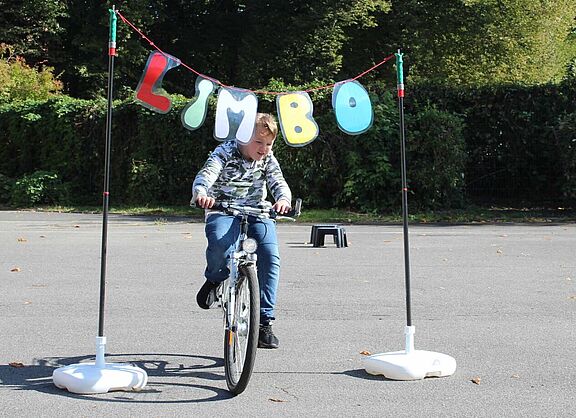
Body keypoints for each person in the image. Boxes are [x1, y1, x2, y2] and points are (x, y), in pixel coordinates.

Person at [192, 113, 292, 349]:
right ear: (242, 137)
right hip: (224, 208)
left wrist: (283, 199)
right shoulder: (225, 152)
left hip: (258, 211)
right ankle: (215, 279)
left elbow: (278, 181)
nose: (264, 149)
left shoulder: (267, 159)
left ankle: (265, 321)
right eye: (259, 142)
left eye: (268, 144)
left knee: (270, 257)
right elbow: (207, 173)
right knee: (220, 244)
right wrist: (201, 193)